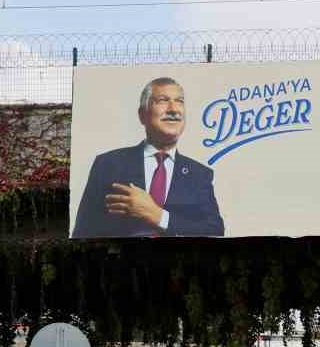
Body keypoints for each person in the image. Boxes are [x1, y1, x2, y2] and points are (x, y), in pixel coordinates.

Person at [72, 77, 225, 238]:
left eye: (179, 101)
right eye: (162, 100)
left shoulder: (200, 175)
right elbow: (82, 233)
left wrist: (159, 217)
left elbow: (215, 231)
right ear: (142, 115)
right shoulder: (108, 164)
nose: (173, 109)